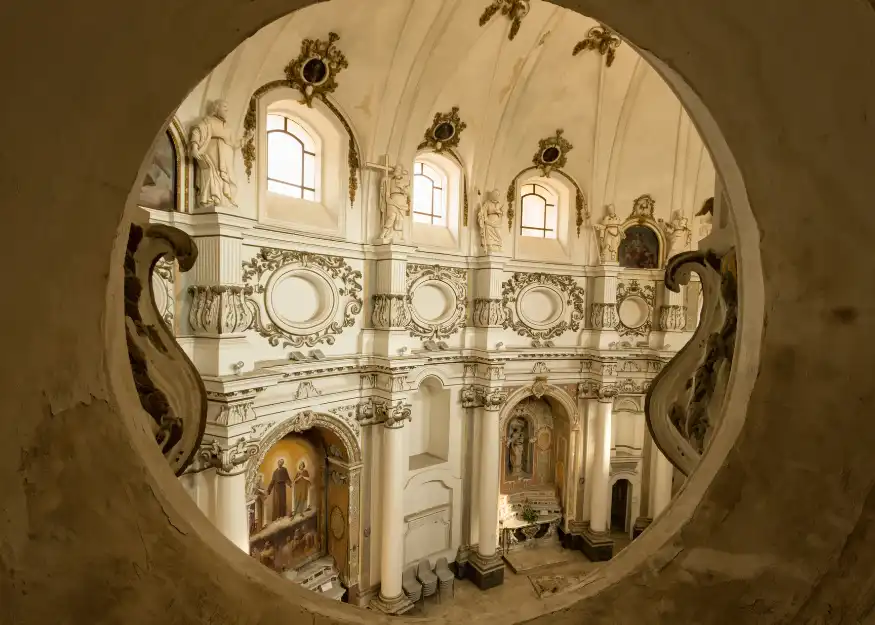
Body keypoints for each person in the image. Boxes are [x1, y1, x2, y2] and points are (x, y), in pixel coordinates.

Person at [189, 99, 238, 208]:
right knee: (211, 175)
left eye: (227, 108)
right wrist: (195, 147)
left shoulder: (228, 127)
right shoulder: (209, 121)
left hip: (226, 158)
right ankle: (212, 198)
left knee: (226, 179)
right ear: (217, 108)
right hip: (212, 154)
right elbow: (197, 131)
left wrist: (247, 138)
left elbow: (234, 143)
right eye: (224, 107)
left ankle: (225, 200)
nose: (227, 110)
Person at [378, 166, 410, 243]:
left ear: (401, 172)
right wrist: (382, 182)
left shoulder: (405, 182)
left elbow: (409, 193)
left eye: (398, 170)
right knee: (392, 216)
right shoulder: (389, 180)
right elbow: (386, 192)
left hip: (401, 202)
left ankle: (398, 235)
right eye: (395, 169)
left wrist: (402, 188)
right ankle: (384, 233)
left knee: (400, 219)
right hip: (392, 200)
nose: (396, 171)